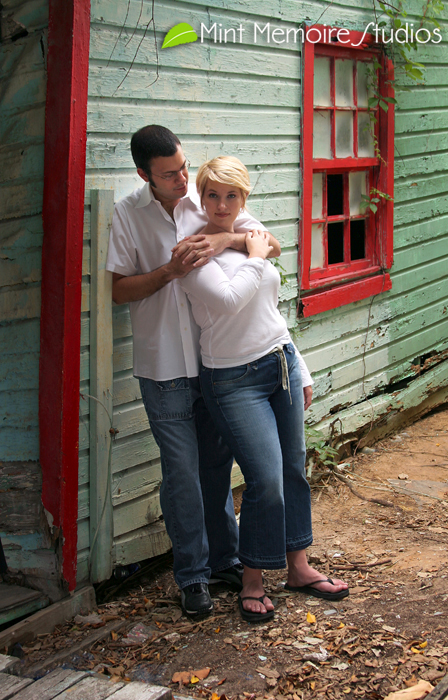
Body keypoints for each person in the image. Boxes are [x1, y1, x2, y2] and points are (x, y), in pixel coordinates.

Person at [106, 126, 281, 618]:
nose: (181, 179)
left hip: (215, 364)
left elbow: (270, 244)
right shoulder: (128, 214)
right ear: (144, 175)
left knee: (215, 468)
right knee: (182, 473)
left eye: (183, 167)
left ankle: (225, 560)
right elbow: (118, 291)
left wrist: (225, 237)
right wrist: (170, 272)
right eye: (169, 174)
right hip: (163, 366)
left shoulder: (204, 202)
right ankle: (192, 576)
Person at [179, 156, 349, 622]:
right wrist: (251, 254)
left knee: (293, 469)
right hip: (232, 378)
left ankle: (299, 567)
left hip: (281, 363)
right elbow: (230, 300)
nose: (221, 205)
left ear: (244, 197)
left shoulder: (245, 227)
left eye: (231, 195)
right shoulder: (193, 250)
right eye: (212, 195)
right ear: (201, 196)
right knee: (266, 478)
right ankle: (251, 579)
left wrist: (302, 366)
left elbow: (270, 303)